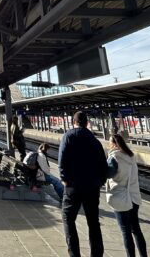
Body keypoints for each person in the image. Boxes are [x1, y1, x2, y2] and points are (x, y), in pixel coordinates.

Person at [59, 110, 108, 257]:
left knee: (68, 218)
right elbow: (103, 165)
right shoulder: (95, 141)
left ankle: (74, 254)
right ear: (87, 123)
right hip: (92, 187)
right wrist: (100, 182)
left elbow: (62, 160)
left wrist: (64, 178)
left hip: (73, 186)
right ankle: (97, 254)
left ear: (74, 122)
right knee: (93, 222)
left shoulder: (68, 136)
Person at [106, 134, 147, 257]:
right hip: (134, 197)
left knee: (126, 232)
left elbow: (108, 174)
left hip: (121, 198)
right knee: (136, 230)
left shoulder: (114, 158)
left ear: (113, 144)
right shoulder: (131, 156)